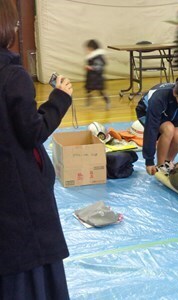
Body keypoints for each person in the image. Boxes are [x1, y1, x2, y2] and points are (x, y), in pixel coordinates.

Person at [0, 0, 72, 298]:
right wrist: (60, 98)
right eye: (15, 24)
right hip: (19, 200)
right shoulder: (12, 76)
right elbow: (32, 132)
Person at [135, 75, 178, 176]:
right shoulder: (159, 98)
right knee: (169, 129)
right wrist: (149, 161)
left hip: (170, 113)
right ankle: (160, 165)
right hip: (146, 112)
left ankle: (167, 163)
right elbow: (151, 130)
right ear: (175, 93)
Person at [84, 39, 110, 110]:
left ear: (92, 47)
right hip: (91, 77)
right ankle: (88, 101)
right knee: (88, 90)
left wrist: (90, 67)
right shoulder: (91, 56)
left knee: (101, 92)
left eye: (88, 47)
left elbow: (100, 67)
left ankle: (107, 102)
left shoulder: (98, 56)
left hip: (97, 78)